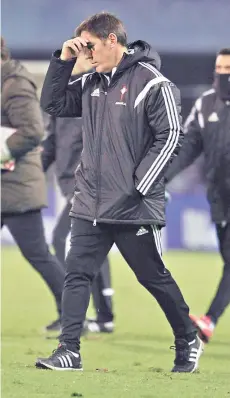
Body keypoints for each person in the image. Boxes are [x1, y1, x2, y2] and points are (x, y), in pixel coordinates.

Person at [35, 12, 203, 373]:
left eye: (90, 45)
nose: (87, 53)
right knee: (77, 274)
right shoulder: (91, 82)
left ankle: (187, 337)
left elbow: (172, 135)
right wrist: (63, 60)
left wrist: (139, 185)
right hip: (89, 202)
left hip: (132, 206)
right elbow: (52, 105)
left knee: (153, 278)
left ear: (113, 40)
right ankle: (69, 350)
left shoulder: (153, 83)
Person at [42, 54, 114, 334]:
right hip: (68, 182)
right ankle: (103, 315)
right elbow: (51, 141)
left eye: (84, 56)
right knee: (91, 247)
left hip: (86, 183)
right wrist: (34, 170)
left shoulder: (94, 93)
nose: (79, 62)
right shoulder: (62, 98)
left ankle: (73, 313)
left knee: (62, 240)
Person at [166, 48, 230, 343]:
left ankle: (209, 320)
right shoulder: (206, 104)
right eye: (220, 68)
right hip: (220, 198)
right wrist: (161, 177)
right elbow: (189, 145)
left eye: (228, 68)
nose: (223, 73)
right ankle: (209, 320)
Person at [1, 37, 65, 330]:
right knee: (40, 254)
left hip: (17, 188)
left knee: (38, 254)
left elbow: (32, 130)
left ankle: (73, 315)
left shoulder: (14, 84)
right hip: (7, 185)